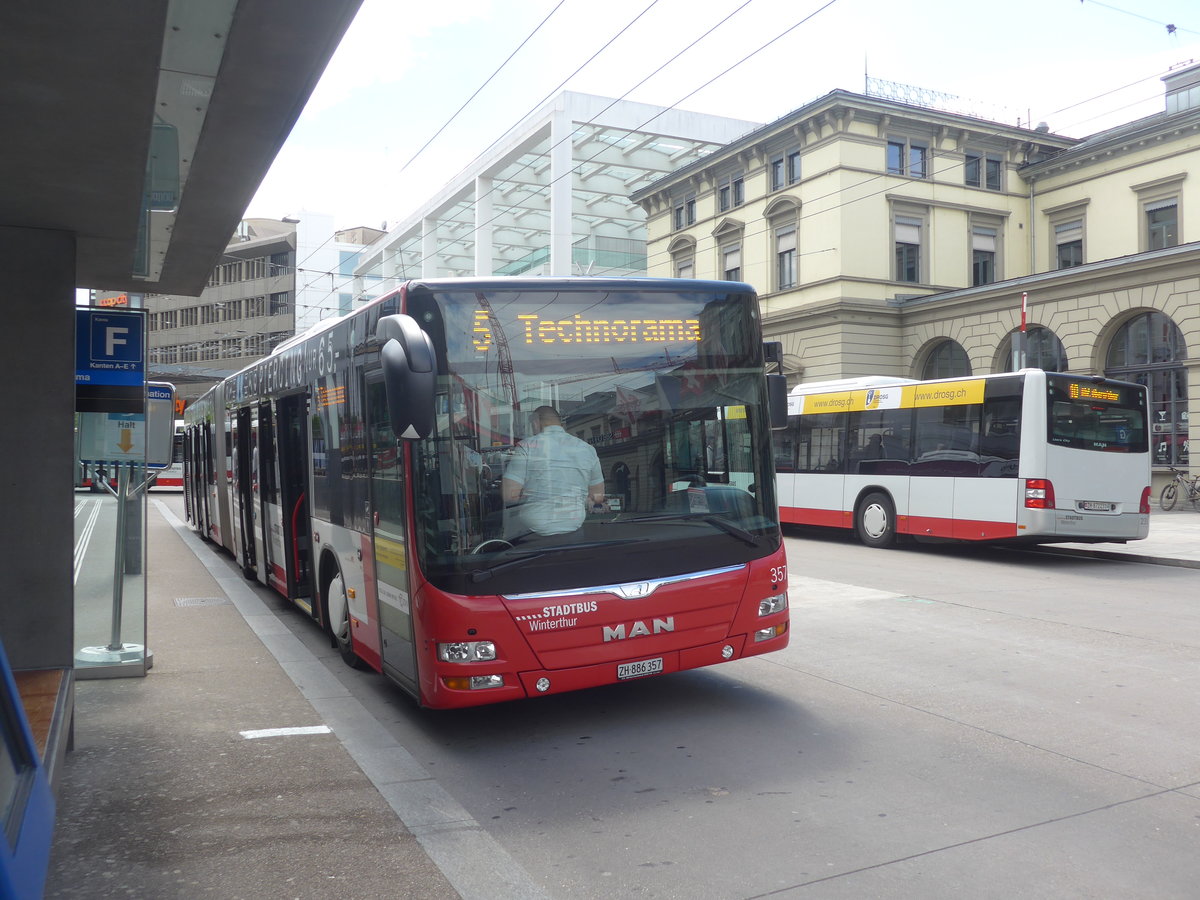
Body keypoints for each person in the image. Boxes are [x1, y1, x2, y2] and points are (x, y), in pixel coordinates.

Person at [502, 406, 605, 536]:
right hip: (574, 528)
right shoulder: (588, 449)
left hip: (531, 535)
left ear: (536, 423)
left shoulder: (526, 446)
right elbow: (598, 496)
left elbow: (509, 495)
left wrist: (530, 492)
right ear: (560, 423)